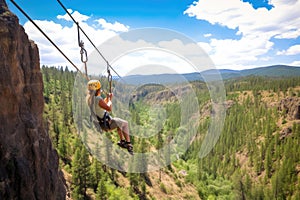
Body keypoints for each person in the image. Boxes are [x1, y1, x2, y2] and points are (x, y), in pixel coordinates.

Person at [86, 79, 133, 155]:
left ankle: (122, 141)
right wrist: (110, 99)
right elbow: (109, 108)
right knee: (125, 123)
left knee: (119, 124)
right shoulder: (98, 99)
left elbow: (101, 105)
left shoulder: (90, 99)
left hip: (102, 124)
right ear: (98, 90)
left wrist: (107, 99)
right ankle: (129, 144)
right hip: (108, 124)